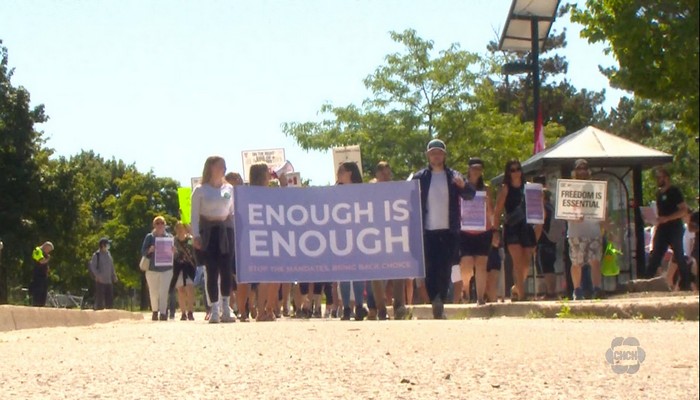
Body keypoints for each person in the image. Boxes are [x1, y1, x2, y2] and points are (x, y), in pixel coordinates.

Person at [412, 139, 475, 319]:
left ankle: (440, 298)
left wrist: (464, 186)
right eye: (433, 153)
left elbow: (470, 194)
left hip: (449, 230)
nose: (436, 156)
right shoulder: (420, 177)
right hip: (428, 230)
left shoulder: (454, 176)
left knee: (446, 267)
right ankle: (436, 300)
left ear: (444, 155)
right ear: (428, 156)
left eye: (439, 152)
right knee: (431, 267)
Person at [191, 156, 236, 323]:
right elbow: (194, 216)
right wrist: (195, 235)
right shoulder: (200, 190)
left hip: (226, 231)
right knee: (211, 270)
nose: (223, 169)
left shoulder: (229, 188)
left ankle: (226, 307)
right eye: (220, 166)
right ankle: (214, 309)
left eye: (224, 166)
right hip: (208, 232)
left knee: (226, 270)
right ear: (210, 167)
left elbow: (231, 211)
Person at [493, 159, 538, 302]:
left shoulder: (528, 187)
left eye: (518, 169)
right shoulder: (505, 188)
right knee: (517, 262)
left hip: (526, 226)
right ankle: (523, 295)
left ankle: (516, 288)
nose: (516, 172)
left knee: (526, 263)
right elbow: (498, 210)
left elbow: (537, 208)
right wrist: (495, 231)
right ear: (508, 172)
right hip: (512, 226)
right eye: (512, 170)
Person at [645, 167, 692, 290]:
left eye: (660, 177)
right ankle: (646, 283)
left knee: (679, 255)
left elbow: (683, 210)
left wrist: (668, 218)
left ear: (666, 178)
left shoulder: (674, 191)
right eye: (657, 177)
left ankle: (686, 284)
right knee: (655, 255)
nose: (658, 180)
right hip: (662, 228)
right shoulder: (659, 194)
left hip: (674, 228)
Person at [565, 159, 606, 300]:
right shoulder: (569, 189)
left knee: (595, 260)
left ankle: (597, 289)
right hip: (576, 232)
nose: (582, 171)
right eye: (579, 168)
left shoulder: (597, 188)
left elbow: (603, 210)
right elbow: (564, 210)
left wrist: (605, 228)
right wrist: (574, 216)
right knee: (577, 262)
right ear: (574, 171)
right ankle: (577, 290)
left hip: (594, 230)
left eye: (584, 168)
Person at [458, 157, 494, 306]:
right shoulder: (461, 187)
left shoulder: (486, 189)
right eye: (474, 168)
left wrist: (493, 227)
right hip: (465, 231)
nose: (476, 171)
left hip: (483, 231)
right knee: (466, 263)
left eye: (479, 168)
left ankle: (480, 298)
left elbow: (491, 212)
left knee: (481, 264)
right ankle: (465, 287)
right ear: (469, 169)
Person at [337, 161, 369, 321]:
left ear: (350, 173)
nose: (338, 173)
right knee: (343, 272)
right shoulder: (336, 192)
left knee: (357, 271)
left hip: (358, 234)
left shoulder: (362, 191)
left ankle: (359, 306)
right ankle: (346, 308)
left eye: (341, 170)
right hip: (341, 235)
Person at [249, 162, 279, 322]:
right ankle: (262, 310)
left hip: (274, 235)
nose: (271, 174)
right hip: (260, 235)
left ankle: (269, 308)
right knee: (264, 276)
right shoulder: (249, 194)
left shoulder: (271, 192)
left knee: (277, 275)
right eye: (268, 171)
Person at [141, 216, 175, 321]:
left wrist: (174, 251)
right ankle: (155, 311)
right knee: (153, 291)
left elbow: (175, 254)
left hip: (167, 269)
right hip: (152, 269)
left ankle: (163, 313)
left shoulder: (169, 237)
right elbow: (143, 251)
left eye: (162, 223)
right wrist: (149, 250)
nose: (160, 225)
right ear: (154, 225)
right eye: (157, 223)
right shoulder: (149, 237)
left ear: (165, 225)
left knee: (164, 291)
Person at [170, 222, 197, 320]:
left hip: (189, 267)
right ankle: (183, 313)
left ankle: (190, 311)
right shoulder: (173, 241)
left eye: (182, 228)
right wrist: (172, 252)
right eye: (178, 228)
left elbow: (194, 250)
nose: (180, 230)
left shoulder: (190, 239)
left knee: (190, 289)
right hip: (178, 267)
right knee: (180, 290)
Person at [536, 188, 558, 300]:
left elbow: (541, 222)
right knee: (550, 267)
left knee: (547, 268)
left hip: (544, 241)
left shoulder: (544, 208)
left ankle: (550, 292)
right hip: (552, 241)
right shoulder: (552, 208)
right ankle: (551, 291)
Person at [88, 237, 117, 310]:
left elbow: (111, 266)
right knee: (100, 302)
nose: (108, 246)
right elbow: (93, 267)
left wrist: (114, 276)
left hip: (109, 281)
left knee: (110, 302)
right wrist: (98, 276)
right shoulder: (96, 255)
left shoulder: (108, 254)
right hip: (100, 282)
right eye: (107, 244)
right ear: (103, 245)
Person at [30, 241, 54, 307]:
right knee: (38, 294)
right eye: (48, 250)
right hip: (38, 276)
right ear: (45, 247)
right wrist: (48, 259)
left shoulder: (45, 254)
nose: (48, 252)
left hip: (44, 277)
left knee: (43, 295)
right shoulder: (37, 250)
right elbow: (41, 261)